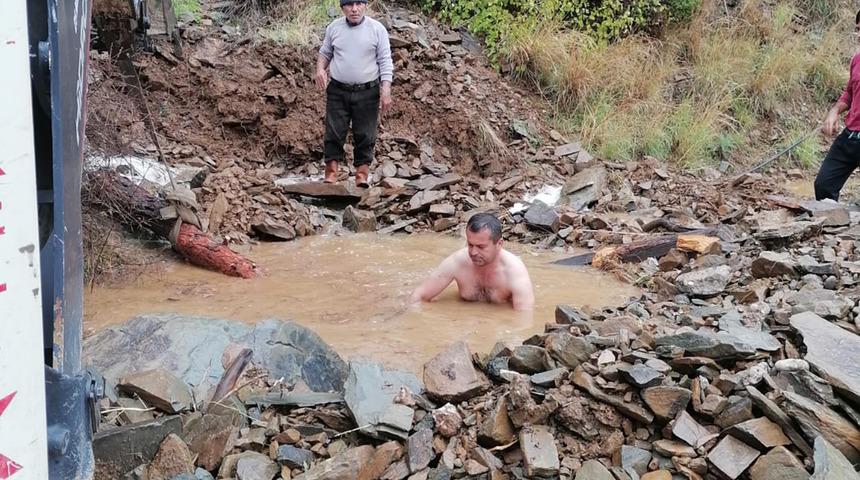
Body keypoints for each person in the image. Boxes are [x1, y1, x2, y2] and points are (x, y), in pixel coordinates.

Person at [315, 0, 393, 187]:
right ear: (342, 8)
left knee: (365, 134)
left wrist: (386, 89)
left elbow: (385, 60)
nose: (354, 9)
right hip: (338, 90)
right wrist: (320, 69)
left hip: (368, 91)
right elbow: (325, 52)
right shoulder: (334, 28)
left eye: (359, 3)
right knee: (334, 131)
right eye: (349, 5)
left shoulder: (377, 29)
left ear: (365, 5)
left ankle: (362, 175)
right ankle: (331, 172)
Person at [410, 213, 535, 311]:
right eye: (470, 245)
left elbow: (523, 317)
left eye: (481, 247)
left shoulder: (514, 272)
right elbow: (418, 296)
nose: (473, 252)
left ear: (499, 244)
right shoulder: (457, 262)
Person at [814, 9, 860, 201]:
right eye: (858, 29)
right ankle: (832, 219)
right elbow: (850, 93)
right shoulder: (857, 60)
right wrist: (834, 112)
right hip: (850, 136)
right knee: (824, 186)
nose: (859, 35)